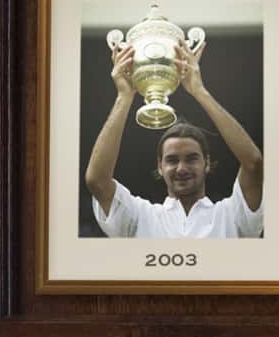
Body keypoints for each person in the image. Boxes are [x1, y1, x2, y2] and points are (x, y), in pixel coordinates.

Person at [83, 26, 265, 237]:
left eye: (191, 158)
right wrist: (124, 96)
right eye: (171, 160)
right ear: (159, 167)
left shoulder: (231, 215)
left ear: (207, 164)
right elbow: (96, 180)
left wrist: (199, 90)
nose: (181, 168)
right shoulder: (140, 216)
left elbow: (253, 163)